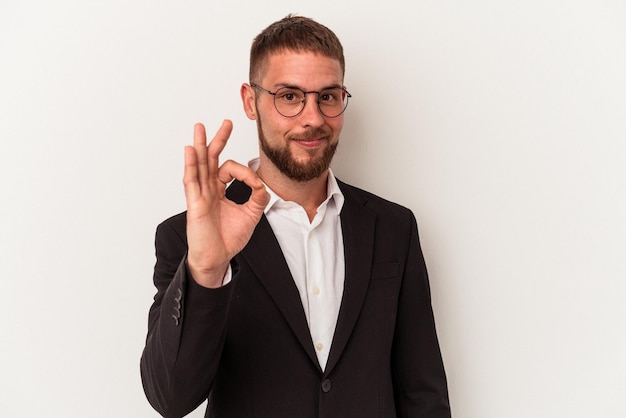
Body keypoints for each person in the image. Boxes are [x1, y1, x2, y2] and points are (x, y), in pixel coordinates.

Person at [140, 15, 451, 418]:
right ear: (251, 102)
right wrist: (206, 268)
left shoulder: (393, 228)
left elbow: (422, 391)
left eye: (328, 96)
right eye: (289, 96)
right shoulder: (188, 237)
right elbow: (170, 399)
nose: (313, 118)